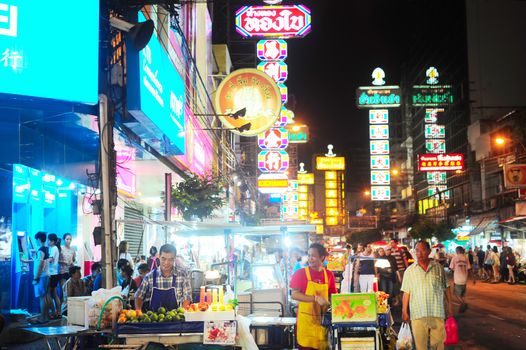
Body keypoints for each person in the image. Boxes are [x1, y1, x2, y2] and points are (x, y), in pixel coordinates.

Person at [402, 241, 454, 350]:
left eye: (422, 250)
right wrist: (404, 311)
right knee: (421, 346)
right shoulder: (410, 271)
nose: (419, 253)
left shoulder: (438, 268)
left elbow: (446, 287)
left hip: (436, 311)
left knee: (438, 344)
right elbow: (406, 292)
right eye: (417, 251)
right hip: (417, 312)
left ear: (429, 251)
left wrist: (450, 306)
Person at [290, 243, 337, 350]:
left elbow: (332, 296)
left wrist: (330, 303)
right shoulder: (300, 273)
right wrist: (315, 298)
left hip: (322, 323)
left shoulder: (329, 275)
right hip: (306, 323)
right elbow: (294, 294)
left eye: (313, 256)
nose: (310, 259)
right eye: (309, 255)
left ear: (322, 257)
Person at [134, 244, 192, 312]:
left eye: (170, 259)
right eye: (163, 259)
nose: (166, 263)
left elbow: (187, 297)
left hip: (176, 320)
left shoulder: (183, 275)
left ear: (174, 258)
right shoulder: (149, 277)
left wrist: (183, 313)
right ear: (159, 256)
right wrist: (138, 311)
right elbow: (139, 296)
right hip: (154, 320)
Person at [32, 232, 50, 323]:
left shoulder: (40, 251)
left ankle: (43, 318)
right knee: (45, 297)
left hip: (41, 276)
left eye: (36, 240)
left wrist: (36, 277)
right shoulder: (46, 249)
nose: (36, 241)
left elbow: (40, 265)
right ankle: (45, 317)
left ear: (39, 239)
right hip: (46, 275)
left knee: (42, 298)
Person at [449, 246, 471, 313]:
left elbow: (451, 267)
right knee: (462, 294)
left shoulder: (455, 258)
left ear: (457, 251)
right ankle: (462, 305)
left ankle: (463, 303)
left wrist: (454, 269)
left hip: (457, 278)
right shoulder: (465, 258)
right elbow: (469, 268)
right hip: (464, 278)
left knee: (456, 293)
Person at [47, 233, 62, 319]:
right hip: (55, 273)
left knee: (48, 294)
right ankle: (58, 312)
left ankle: (53, 312)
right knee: (55, 294)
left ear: (52, 241)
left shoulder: (53, 248)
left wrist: (43, 261)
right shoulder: (55, 248)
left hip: (52, 274)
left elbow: (51, 259)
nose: (48, 242)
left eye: (49, 240)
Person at [58, 233, 76, 301]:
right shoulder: (61, 248)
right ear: (64, 240)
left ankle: (67, 308)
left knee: (69, 291)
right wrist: (64, 262)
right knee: (63, 290)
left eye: (70, 239)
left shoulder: (72, 249)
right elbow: (57, 260)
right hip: (62, 271)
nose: (69, 241)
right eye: (67, 239)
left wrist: (72, 263)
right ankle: (60, 309)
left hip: (69, 272)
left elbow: (73, 259)